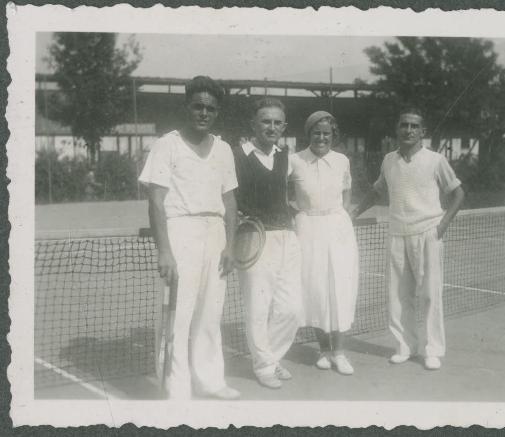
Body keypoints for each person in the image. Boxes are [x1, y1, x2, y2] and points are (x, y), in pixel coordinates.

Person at [138, 75, 240, 400]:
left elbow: (231, 202)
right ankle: (176, 387)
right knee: (177, 317)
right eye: (198, 106)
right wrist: (164, 251)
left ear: (217, 112)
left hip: (216, 235)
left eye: (210, 108)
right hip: (180, 232)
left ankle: (211, 380)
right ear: (187, 106)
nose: (203, 113)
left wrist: (231, 246)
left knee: (211, 313)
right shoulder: (166, 145)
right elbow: (155, 202)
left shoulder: (224, 149)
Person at [352, 108, 464, 370]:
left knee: (429, 296)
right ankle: (405, 346)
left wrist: (441, 227)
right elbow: (377, 191)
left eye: (414, 126)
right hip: (397, 234)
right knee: (398, 296)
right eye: (404, 125)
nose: (409, 130)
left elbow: (458, 194)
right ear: (397, 129)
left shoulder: (436, 160)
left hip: (428, 234)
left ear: (423, 132)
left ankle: (432, 350)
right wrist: (354, 212)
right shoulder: (389, 160)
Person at [233, 97, 303, 389]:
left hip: (287, 237)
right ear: (253, 124)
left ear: (283, 126)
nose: (271, 127)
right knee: (258, 308)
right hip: (254, 237)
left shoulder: (287, 157)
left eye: (277, 122)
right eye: (265, 121)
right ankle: (264, 366)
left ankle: (270, 358)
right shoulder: (236, 155)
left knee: (292, 309)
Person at [289, 111, 359, 375]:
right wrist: (294, 213)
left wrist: (342, 215)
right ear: (308, 135)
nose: (321, 138)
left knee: (339, 287)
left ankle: (339, 353)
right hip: (308, 228)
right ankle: (323, 350)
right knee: (316, 288)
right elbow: (278, 188)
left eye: (326, 133)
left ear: (333, 135)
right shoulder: (294, 161)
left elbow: (347, 192)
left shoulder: (342, 161)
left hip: (338, 229)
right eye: (316, 133)